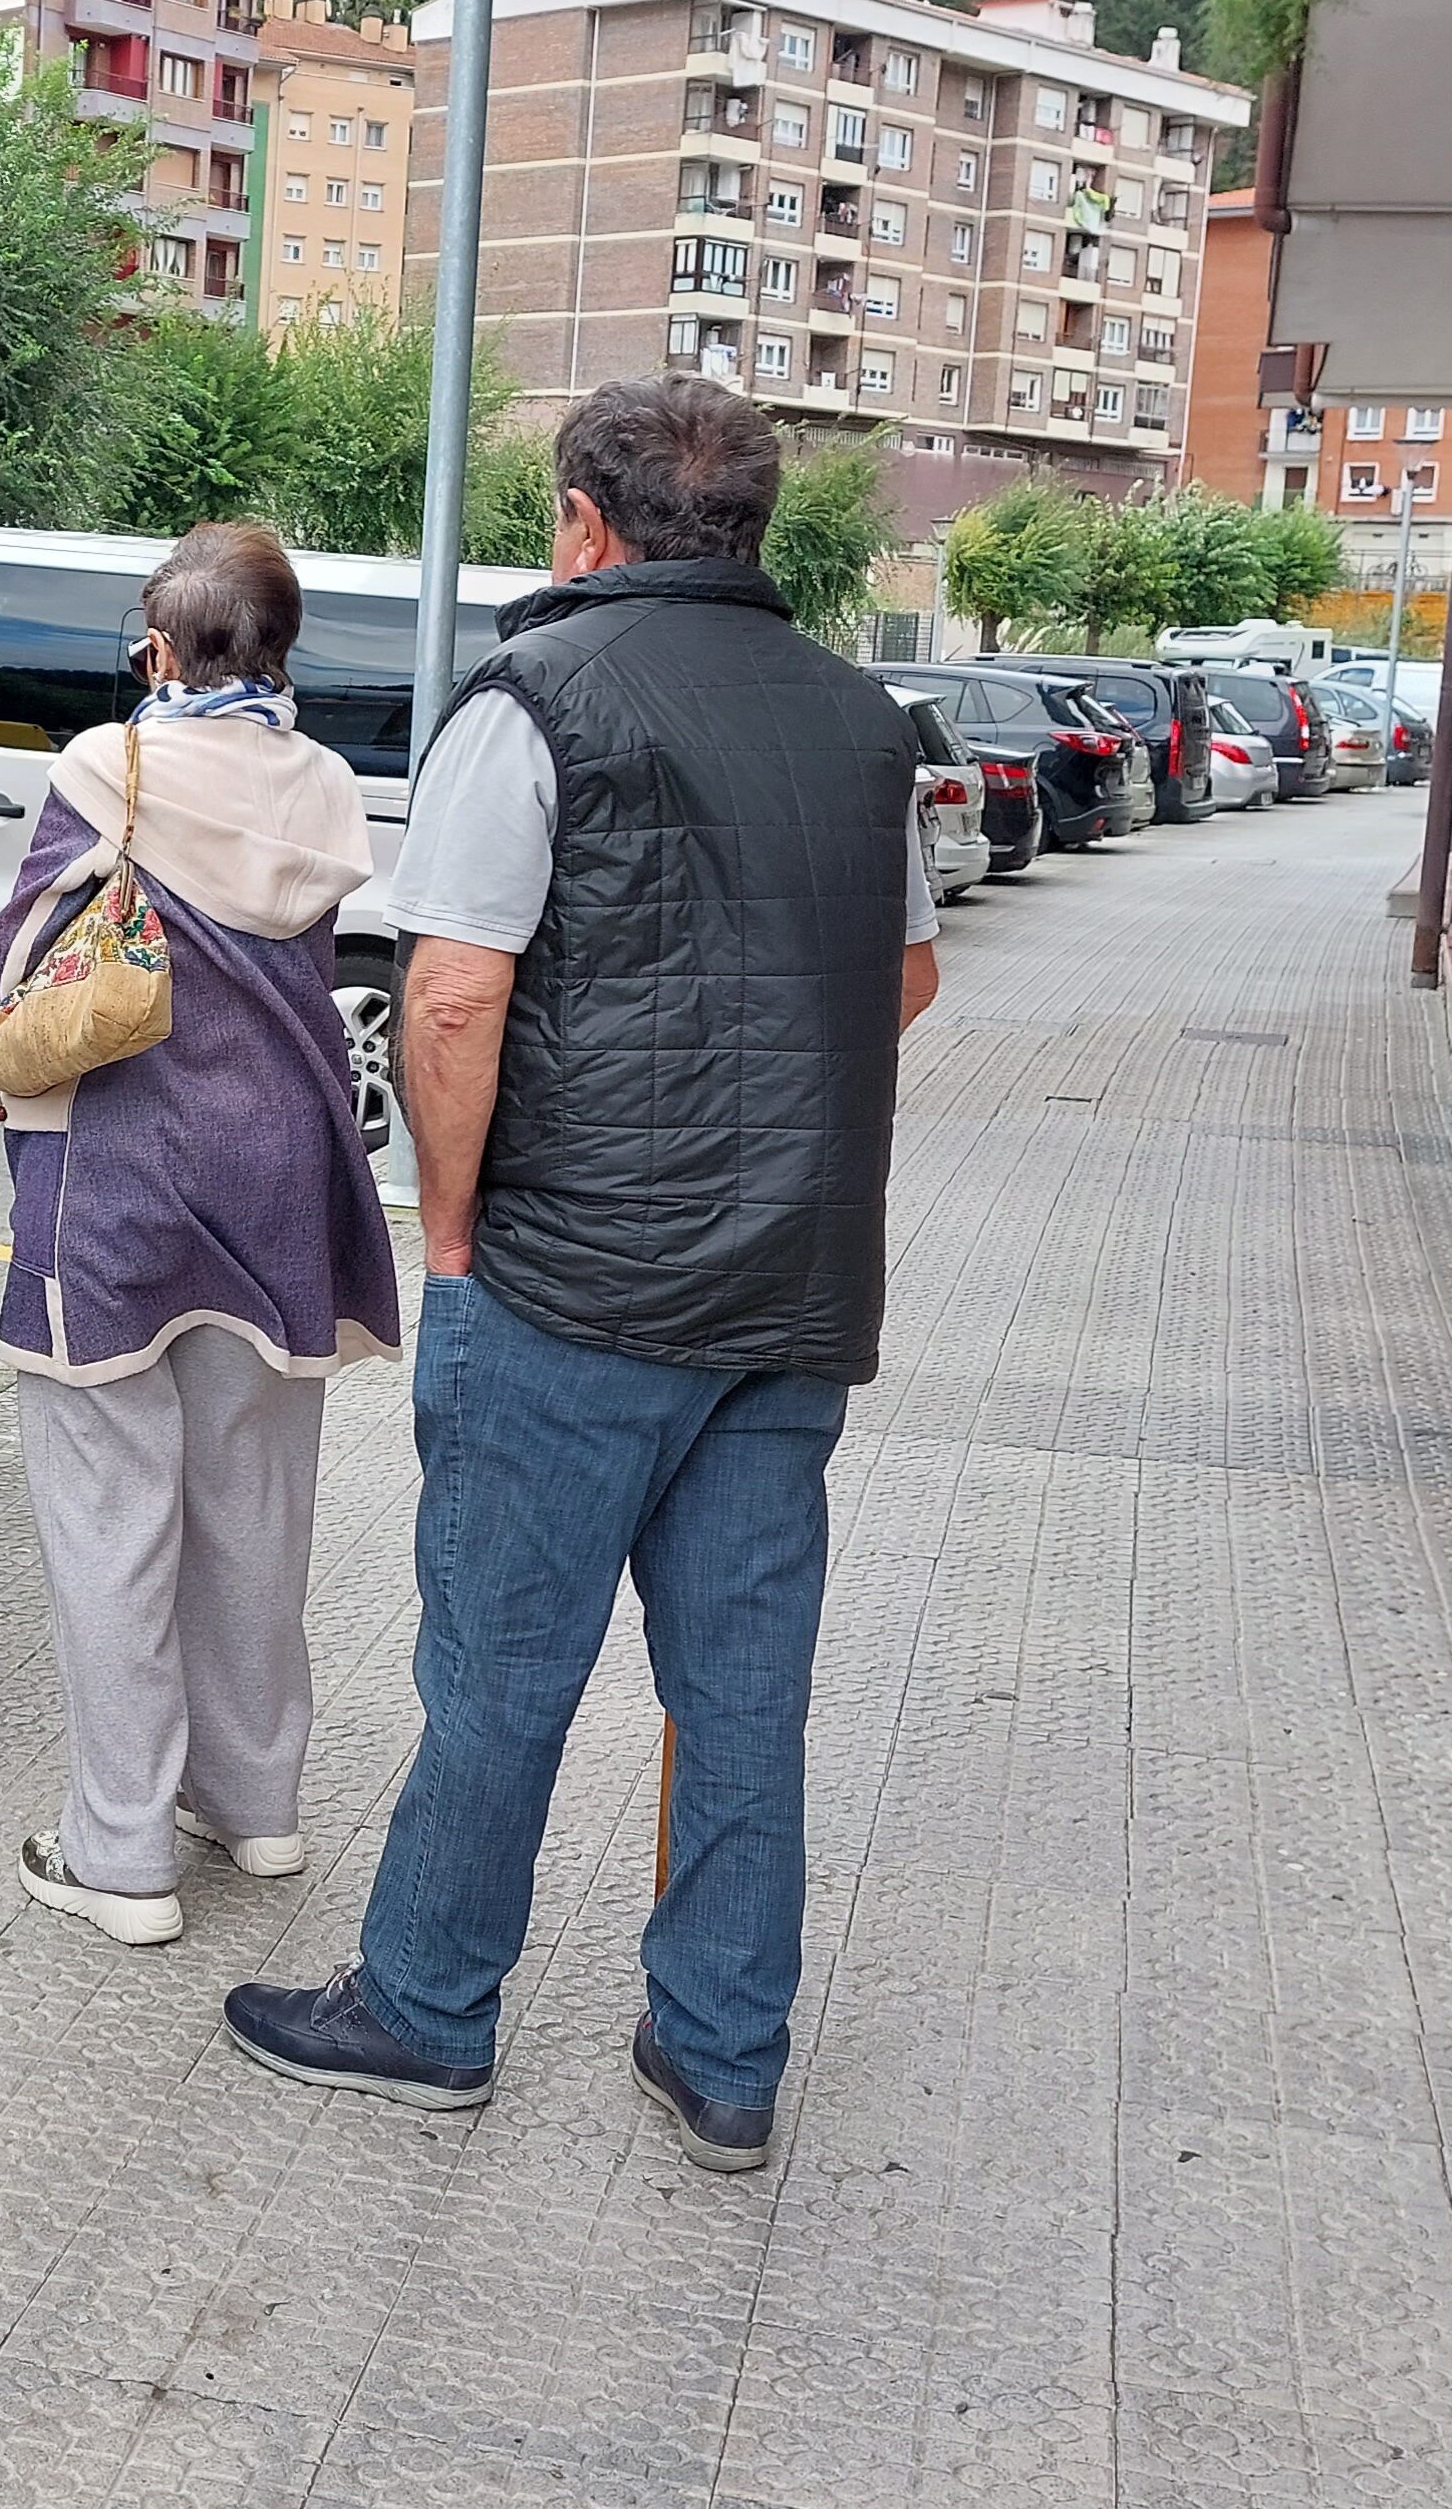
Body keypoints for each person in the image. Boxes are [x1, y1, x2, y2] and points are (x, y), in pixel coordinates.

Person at [223, 375, 939, 2176]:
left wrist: (448, 1227)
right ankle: (718, 2052)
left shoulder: (529, 699)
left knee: (499, 1670)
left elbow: (450, 992)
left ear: (577, 522)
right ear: (752, 530)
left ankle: (424, 2005)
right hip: (788, 1294)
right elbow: (901, 984)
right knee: (741, 1688)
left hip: (568, 1280)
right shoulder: (864, 722)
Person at [0, 521, 404, 1948]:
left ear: (162, 650)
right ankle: (256, 1800)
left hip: (119, 1174)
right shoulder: (330, 788)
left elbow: (23, 965)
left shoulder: (112, 765)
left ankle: (121, 1856)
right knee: (256, 1513)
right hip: (283, 1177)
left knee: (112, 1525)